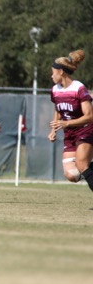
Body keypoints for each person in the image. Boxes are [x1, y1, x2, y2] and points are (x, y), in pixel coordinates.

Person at [48, 50, 93, 192]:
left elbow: (90, 116)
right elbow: (58, 110)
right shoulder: (55, 90)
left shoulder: (78, 88)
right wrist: (53, 130)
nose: (51, 75)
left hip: (85, 129)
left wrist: (66, 123)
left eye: (53, 72)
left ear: (61, 72)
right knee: (72, 175)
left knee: (81, 165)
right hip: (69, 134)